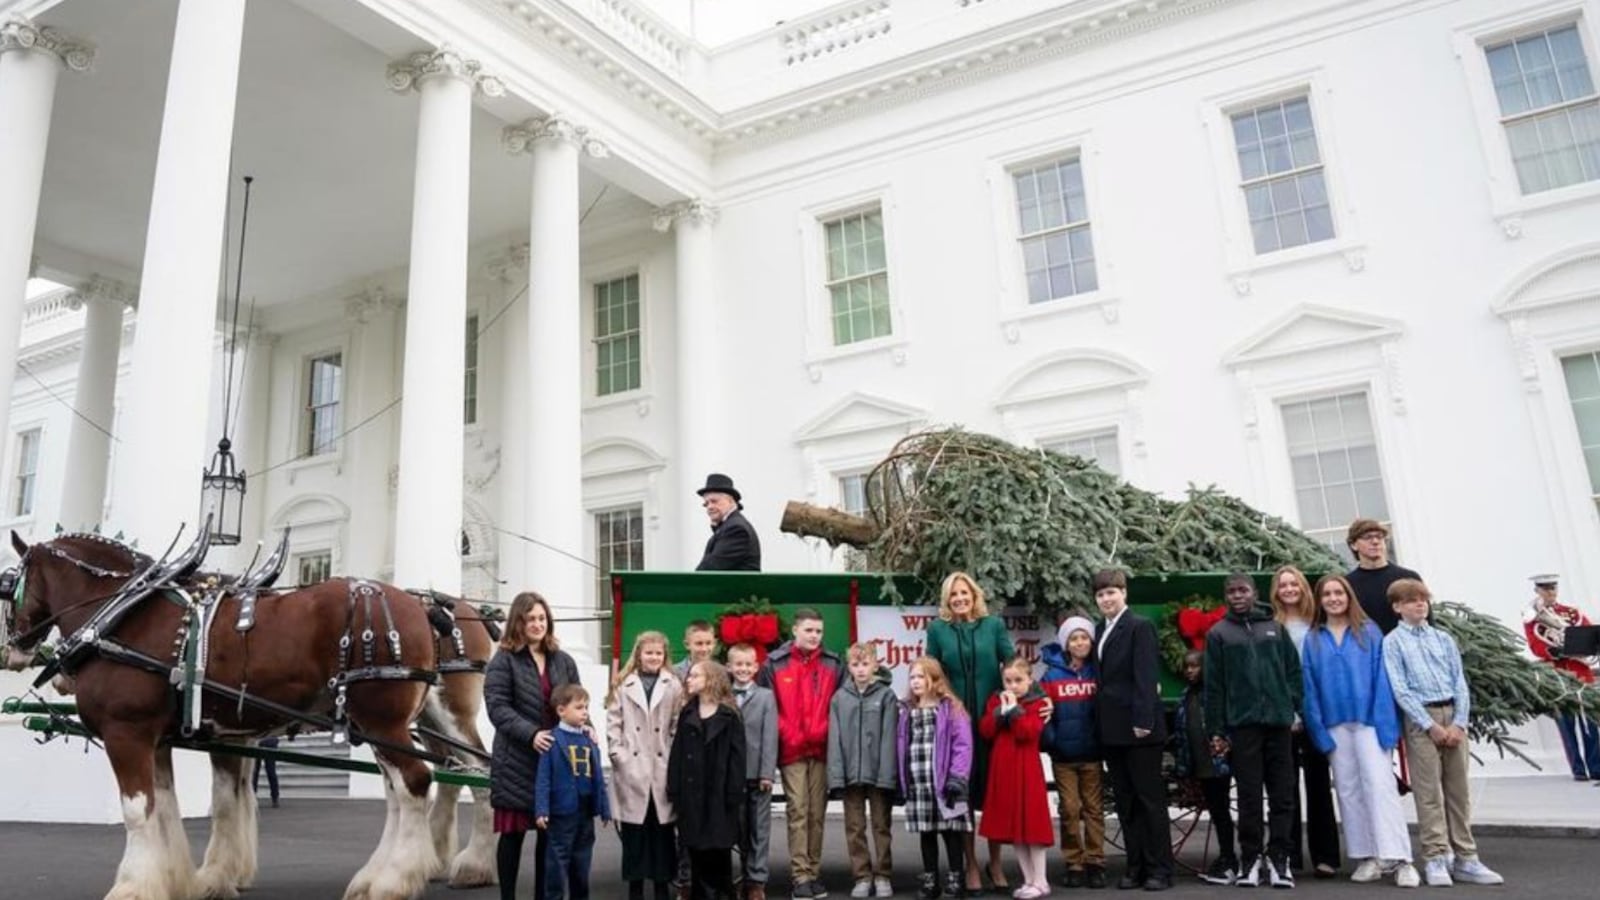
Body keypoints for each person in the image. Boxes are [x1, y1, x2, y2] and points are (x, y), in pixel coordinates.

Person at [1382, 579, 1504, 887]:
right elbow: (1400, 688)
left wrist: (1459, 723)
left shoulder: (1443, 639)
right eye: (1411, 600)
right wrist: (1431, 726)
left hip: (1453, 715)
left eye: (1423, 599)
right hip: (1422, 720)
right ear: (1397, 607)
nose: (1419, 604)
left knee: (1458, 792)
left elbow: (1459, 682)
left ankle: (1466, 857)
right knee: (1429, 792)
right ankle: (1436, 855)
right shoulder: (1393, 642)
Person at [1300, 575, 1418, 889]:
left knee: (1380, 786)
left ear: (1348, 597)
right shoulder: (1313, 639)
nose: (1334, 598)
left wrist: (1386, 725)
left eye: (1339, 592)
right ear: (1320, 600)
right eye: (1327, 594)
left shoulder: (1369, 632)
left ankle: (1399, 858)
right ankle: (1367, 856)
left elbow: (1383, 679)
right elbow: (1308, 688)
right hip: (1334, 726)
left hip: (1369, 723)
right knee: (1349, 790)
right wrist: (1318, 730)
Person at [1204, 572, 1301, 889]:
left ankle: (1279, 858)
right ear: (1225, 596)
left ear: (1254, 592)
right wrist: (1216, 729)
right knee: (1248, 796)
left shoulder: (1275, 628)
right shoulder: (1218, 634)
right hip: (1242, 726)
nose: (1237, 595)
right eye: (1231, 591)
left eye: (1242, 590)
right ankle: (1250, 859)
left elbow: (1292, 672)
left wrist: (1292, 707)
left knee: (1282, 794)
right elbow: (1214, 686)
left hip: (1278, 724)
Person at [486, 592, 583, 900]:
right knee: (512, 837)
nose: (538, 624)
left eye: (542, 618)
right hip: (516, 759)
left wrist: (588, 729)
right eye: (531, 619)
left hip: (554, 761)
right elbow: (497, 707)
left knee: (548, 838)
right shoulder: (503, 660)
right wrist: (531, 734)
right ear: (519, 622)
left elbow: (576, 703)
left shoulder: (563, 660)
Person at [922, 572, 1015, 894]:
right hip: (957, 727)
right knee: (962, 797)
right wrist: (948, 701)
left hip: (992, 725)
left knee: (993, 796)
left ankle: (996, 861)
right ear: (947, 600)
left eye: (965, 593)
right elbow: (933, 672)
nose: (960, 599)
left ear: (974, 595)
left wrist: (1031, 698)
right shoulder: (937, 630)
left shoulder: (994, 627)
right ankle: (971, 865)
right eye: (953, 595)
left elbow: (1013, 665)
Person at [1091, 569, 1172, 891]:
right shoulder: (1100, 629)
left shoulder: (1139, 626)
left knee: (1150, 801)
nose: (1106, 599)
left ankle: (1160, 870)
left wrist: (1144, 720)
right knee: (1126, 802)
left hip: (1140, 730)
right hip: (1112, 730)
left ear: (1124, 593)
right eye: (1100, 594)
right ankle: (1135, 866)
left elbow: (1145, 675)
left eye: (1111, 592)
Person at [758, 608, 844, 899]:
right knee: (798, 810)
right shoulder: (774, 664)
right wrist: (787, 734)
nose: (814, 636)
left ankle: (814, 872)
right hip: (792, 748)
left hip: (821, 749)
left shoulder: (833, 664)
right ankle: (800, 876)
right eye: (809, 630)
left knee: (817, 813)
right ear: (795, 630)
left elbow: (840, 706)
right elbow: (768, 708)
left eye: (819, 631)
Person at [1269, 565, 1340, 878]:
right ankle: (1290, 855)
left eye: (1293, 584)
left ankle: (1325, 856)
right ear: (1276, 591)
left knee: (1319, 785)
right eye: (1283, 585)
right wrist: (1290, 714)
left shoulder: (1318, 624)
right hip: (1286, 717)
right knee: (1285, 790)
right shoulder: (1272, 626)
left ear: (1302, 588)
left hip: (1317, 715)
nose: (1289, 589)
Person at [607, 631, 683, 900]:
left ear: (665, 656)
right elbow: (613, 723)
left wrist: (673, 756)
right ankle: (635, 889)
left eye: (658, 653)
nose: (653, 657)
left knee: (662, 835)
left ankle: (662, 888)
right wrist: (618, 754)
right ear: (638, 654)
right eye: (648, 652)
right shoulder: (624, 684)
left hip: (661, 769)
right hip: (633, 769)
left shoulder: (673, 684)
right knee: (634, 835)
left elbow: (676, 724)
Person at [826, 643, 900, 900]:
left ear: (875, 665)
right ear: (849, 667)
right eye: (855, 665)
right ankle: (862, 876)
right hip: (850, 774)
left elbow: (890, 737)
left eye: (865, 664)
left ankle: (883, 875)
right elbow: (834, 738)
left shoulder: (887, 696)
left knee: (881, 825)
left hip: (878, 773)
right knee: (854, 827)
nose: (860, 669)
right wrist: (837, 774)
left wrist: (887, 774)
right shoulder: (839, 698)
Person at [669, 660, 748, 900]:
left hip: (719, 798)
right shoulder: (688, 712)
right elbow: (678, 753)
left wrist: (734, 794)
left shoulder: (730, 715)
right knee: (696, 855)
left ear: (711, 680)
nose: (688, 680)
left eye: (695, 676)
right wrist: (674, 788)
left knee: (719, 856)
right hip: (691, 797)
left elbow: (738, 757)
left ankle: (723, 895)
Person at [897, 657, 974, 900]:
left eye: (921, 676)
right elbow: (901, 745)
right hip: (919, 783)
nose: (916, 681)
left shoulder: (951, 708)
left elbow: (963, 746)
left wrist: (958, 777)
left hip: (945, 783)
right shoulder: (907, 710)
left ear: (935, 680)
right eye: (912, 677)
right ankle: (930, 880)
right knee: (926, 833)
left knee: (951, 833)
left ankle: (955, 879)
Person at [977, 657, 1054, 900]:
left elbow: (1027, 733)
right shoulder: (995, 700)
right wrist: (1000, 712)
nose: (1013, 686)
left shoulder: (1038, 702)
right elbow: (986, 730)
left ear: (1030, 680)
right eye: (1008, 681)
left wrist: (1013, 711)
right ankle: (1028, 879)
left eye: (1018, 680)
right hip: (1003, 768)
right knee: (1014, 828)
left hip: (1027, 768)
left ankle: (1041, 880)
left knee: (1032, 826)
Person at [1038, 615, 1105, 889]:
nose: (1080, 643)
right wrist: (1052, 741)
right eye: (1074, 638)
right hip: (1064, 757)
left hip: (1091, 754)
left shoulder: (1098, 672)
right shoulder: (1051, 676)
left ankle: (1095, 862)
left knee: (1094, 810)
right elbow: (1042, 714)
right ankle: (1074, 863)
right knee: (1069, 809)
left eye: (1084, 637)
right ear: (1066, 644)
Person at [535, 684, 612, 900]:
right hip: (561, 813)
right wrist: (541, 809)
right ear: (561, 710)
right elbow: (543, 779)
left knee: (582, 863)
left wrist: (604, 809)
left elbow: (598, 778)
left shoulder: (590, 739)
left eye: (586, 707)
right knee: (556, 863)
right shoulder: (551, 740)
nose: (585, 712)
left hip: (585, 812)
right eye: (579, 708)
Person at [1521, 573, 1600, 781]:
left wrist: (1585, 645)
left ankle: (1596, 766)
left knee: (1590, 721)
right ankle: (1578, 769)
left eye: (1553, 588)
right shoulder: (1531, 616)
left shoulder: (1571, 613)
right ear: (1537, 591)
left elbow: (1588, 632)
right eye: (1545, 589)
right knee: (1567, 724)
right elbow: (1535, 643)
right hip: (1556, 674)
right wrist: (1553, 651)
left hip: (1579, 671)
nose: (1550, 593)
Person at [1175, 650, 1237, 887]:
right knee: (1217, 811)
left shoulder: (1214, 695)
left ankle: (1228, 858)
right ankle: (1226, 857)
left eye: (1195, 666)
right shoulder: (1185, 695)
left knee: (1221, 813)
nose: (1190, 671)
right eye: (1187, 667)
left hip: (1216, 764)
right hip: (1199, 763)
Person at [729, 644, 780, 900]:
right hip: (731, 777)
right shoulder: (723, 695)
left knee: (759, 830)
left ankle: (756, 882)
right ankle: (740, 876)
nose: (743, 669)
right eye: (738, 664)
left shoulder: (765, 697)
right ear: (729, 667)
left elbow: (770, 737)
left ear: (756, 667)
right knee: (737, 830)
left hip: (758, 776)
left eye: (748, 665)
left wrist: (767, 773)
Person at [1343, 518, 1420, 635]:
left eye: (1379, 537)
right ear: (1353, 545)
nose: (1375, 541)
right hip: (1367, 649)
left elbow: (1425, 620)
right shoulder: (1347, 584)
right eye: (1368, 537)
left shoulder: (1409, 578)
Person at [696, 473, 762, 571]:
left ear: (730, 501)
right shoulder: (730, 526)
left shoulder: (736, 529)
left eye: (714, 501)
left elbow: (709, 569)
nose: (709, 507)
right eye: (706, 504)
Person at [253, 736, 281, 808]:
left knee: (256, 772)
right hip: (267, 741)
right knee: (270, 771)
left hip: (260, 741)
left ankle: (253, 796)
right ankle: (275, 797)